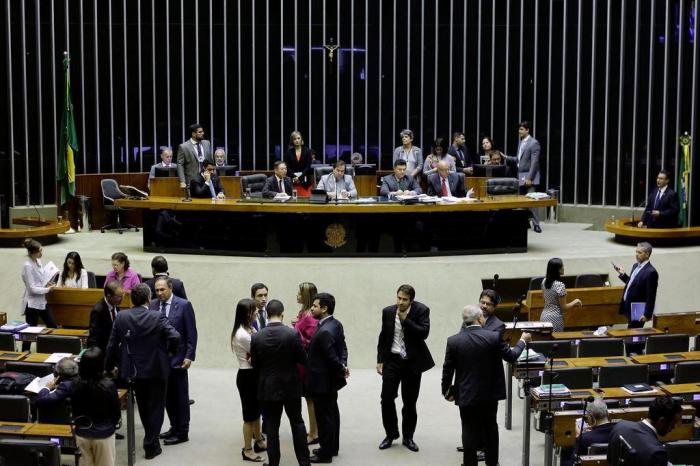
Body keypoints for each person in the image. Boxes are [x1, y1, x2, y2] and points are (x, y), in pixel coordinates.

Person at [442, 305, 532, 466]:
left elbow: (447, 369)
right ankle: (492, 462)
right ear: (480, 319)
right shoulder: (493, 337)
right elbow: (511, 356)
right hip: (489, 394)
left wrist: (447, 391)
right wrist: (522, 341)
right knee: (490, 427)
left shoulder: (453, 341)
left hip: (465, 393)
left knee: (468, 430)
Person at [105, 283, 180, 460]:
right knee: (157, 406)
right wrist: (169, 353)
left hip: (133, 369)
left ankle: (150, 439)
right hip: (157, 368)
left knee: (144, 406)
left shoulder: (121, 317)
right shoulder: (157, 316)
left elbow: (111, 345)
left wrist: (109, 366)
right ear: (149, 298)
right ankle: (151, 444)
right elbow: (175, 336)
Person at [250, 299, 311, 466]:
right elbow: (302, 359)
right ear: (282, 314)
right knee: (297, 423)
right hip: (291, 386)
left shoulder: (256, 337)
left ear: (267, 315)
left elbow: (255, 364)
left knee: (272, 428)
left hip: (268, 388)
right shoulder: (291, 334)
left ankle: (274, 463)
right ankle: (304, 462)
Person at [376, 284, 434, 452]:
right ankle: (391, 433)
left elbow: (424, 333)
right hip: (392, 360)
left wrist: (405, 320)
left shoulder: (422, 310)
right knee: (386, 398)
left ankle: (408, 437)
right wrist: (380, 359)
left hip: (412, 362)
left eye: (405, 299)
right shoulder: (387, 311)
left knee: (409, 402)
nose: (400, 302)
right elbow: (383, 336)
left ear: (411, 300)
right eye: (399, 298)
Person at [150, 277, 197, 446]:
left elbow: (191, 332)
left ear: (170, 288)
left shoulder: (184, 305)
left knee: (180, 396)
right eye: (157, 290)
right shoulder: (153, 305)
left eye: (162, 290)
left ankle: (183, 431)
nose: (160, 293)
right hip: (160, 360)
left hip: (179, 358)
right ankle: (174, 426)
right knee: (167, 396)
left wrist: (189, 356)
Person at [306, 292, 349, 463]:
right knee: (332, 414)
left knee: (324, 418)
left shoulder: (324, 331)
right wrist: (343, 366)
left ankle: (325, 453)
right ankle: (332, 447)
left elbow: (331, 358)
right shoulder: (335, 324)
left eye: (315, 306)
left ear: (324, 308)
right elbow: (343, 348)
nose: (312, 308)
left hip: (321, 383)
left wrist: (340, 368)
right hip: (330, 381)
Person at [71, 347, 121, 466]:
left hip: (82, 433)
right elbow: (116, 413)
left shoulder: (75, 384)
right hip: (104, 435)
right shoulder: (108, 386)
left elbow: (74, 409)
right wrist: (111, 426)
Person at [231, 298, 266, 462]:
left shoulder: (249, 328)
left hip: (253, 374)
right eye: (254, 311)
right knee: (249, 416)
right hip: (248, 376)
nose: (256, 313)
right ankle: (247, 449)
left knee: (256, 412)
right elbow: (259, 355)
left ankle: (259, 440)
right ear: (247, 314)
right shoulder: (243, 334)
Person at [607, 396, 682, 466]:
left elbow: (609, 459)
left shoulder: (620, 426)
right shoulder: (657, 453)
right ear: (661, 421)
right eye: (672, 424)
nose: (673, 428)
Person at [292, 282, 320, 445]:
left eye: (300, 293)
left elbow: (310, 340)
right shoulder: (304, 312)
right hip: (301, 360)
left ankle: (314, 433)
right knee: (308, 398)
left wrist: (295, 330)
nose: (297, 295)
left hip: (306, 361)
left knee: (310, 399)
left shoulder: (309, 316)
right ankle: (313, 430)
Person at [20, 238, 57, 351]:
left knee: (52, 325)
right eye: (40, 251)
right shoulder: (27, 266)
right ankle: (25, 353)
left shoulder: (39, 262)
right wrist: (47, 290)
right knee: (30, 332)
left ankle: (49, 348)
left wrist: (47, 283)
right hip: (32, 304)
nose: (42, 253)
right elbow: (32, 289)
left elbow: (39, 280)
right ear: (33, 252)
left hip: (41, 301)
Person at [506, 121, 542, 232]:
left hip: (529, 176)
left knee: (532, 200)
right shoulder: (521, 142)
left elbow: (534, 163)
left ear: (527, 130)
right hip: (521, 175)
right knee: (522, 199)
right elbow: (518, 159)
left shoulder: (534, 143)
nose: (519, 131)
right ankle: (524, 222)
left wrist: (529, 178)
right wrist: (506, 157)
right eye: (519, 129)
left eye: (521, 129)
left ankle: (536, 224)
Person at [613, 242, 659, 328]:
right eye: (636, 252)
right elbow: (633, 284)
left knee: (632, 336)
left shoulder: (651, 272)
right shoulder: (635, 266)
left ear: (647, 254)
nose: (636, 255)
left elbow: (651, 296)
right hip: (630, 308)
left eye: (639, 253)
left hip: (639, 310)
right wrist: (623, 275)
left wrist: (647, 314)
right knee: (633, 336)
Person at [541, 258, 583, 332]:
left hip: (544, 317)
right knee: (556, 343)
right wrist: (576, 301)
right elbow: (564, 307)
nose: (564, 268)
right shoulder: (560, 285)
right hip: (555, 319)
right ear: (557, 270)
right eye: (562, 266)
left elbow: (545, 300)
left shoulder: (544, 282)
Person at [87, 280, 124, 353]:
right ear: (109, 296)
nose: (122, 298)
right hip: (103, 352)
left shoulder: (115, 304)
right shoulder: (98, 311)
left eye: (123, 294)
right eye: (119, 296)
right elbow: (94, 338)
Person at [177, 123, 212, 188]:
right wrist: (182, 181)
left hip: (206, 179)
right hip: (192, 181)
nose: (203, 133)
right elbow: (180, 165)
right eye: (200, 132)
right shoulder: (184, 147)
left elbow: (210, 162)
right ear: (193, 134)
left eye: (202, 131)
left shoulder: (207, 143)